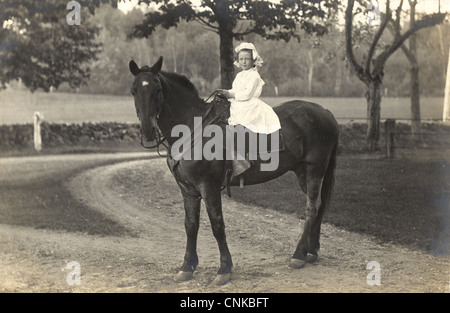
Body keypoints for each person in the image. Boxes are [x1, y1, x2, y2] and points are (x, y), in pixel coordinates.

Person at [216, 42, 281, 182]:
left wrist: (231, 95)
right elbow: (236, 90)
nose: (244, 62)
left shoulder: (254, 76)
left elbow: (246, 95)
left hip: (249, 105)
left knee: (242, 125)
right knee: (224, 122)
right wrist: (226, 92)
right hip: (238, 103)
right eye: (241, 59)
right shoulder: (240, 75)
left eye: (247, 59)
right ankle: (227, 156)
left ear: (253, 60)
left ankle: (244, 159)